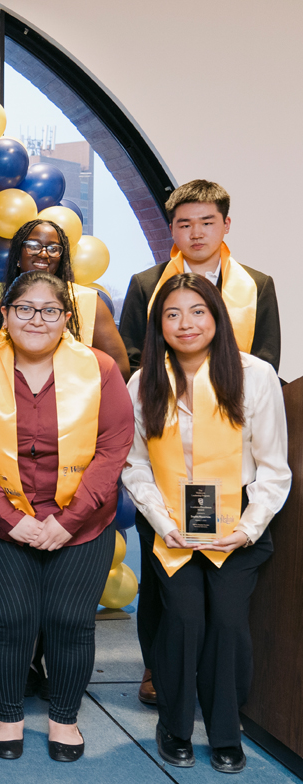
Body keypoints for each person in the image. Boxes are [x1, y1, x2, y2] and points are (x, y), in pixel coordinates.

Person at [0, 271, 133, 763]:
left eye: (49, 310)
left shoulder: (100, 369)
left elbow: (113, 448)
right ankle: (7, 713)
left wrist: (68, 520)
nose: (37, 319)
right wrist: (10, 518)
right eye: (24, 309)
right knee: (11, 620)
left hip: (82, 522)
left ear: (67, 318)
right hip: (2, 522)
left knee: (71, 621)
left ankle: (64, 718)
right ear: (4, 316)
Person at [117, 180, 281, 707]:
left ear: (225, 225)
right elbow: (135, 356)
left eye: (207, 221)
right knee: (166, 582)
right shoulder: (147, 283)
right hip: (168, 452)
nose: (196, 232)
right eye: (184, 223)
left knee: (223, 597)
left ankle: (216, 689)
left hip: (232, 451)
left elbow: (268, 364)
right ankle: (157, 670)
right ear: (172, 230)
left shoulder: (257, 284)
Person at [122, 273, 289, 774]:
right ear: (158, 325)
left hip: (237, 519)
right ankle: (173, 724)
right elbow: (135, 465)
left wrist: (248, 527)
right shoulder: (145, 380)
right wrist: (160, 518)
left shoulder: (253, 375)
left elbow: (274, 467)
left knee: (228, 621)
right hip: (170, 516)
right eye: (171, 314)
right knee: (184, 617)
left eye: (197, 311)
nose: (185, 323)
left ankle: (224, 728)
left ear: (217, 315)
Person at [0, 219, 129, 380]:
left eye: (53, 248)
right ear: (18, 255)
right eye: (33, 246)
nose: (44, 254)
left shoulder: (89, 302)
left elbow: (119, 370)